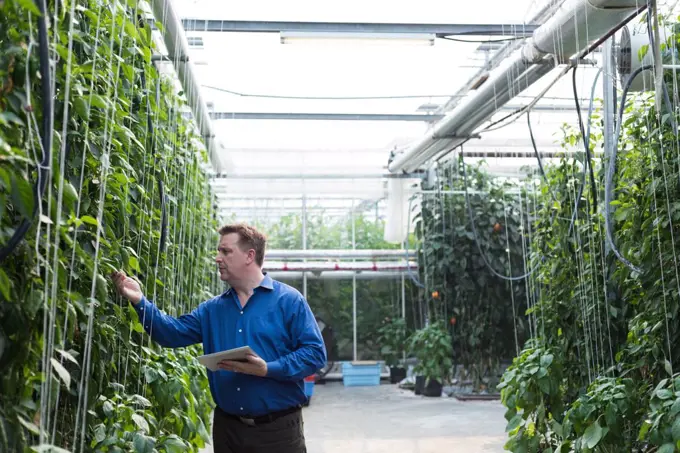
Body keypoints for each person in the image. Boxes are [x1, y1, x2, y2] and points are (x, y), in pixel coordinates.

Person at [111, 223, 327, 453]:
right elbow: (171, 333)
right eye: (218, 251)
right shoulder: (212, 309)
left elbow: (314, 354)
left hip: (278, 432)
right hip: (228, 431)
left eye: (225, 251)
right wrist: (139, 301)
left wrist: (267, 368)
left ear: (249, 256)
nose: (217, 258)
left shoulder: (289, 301)